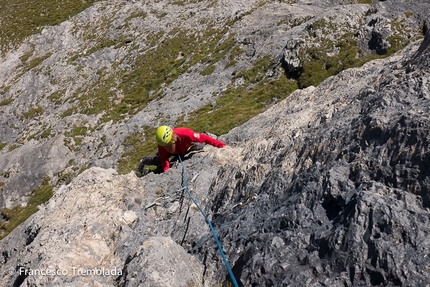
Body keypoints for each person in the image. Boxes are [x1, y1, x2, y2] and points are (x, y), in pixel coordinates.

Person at [137, 125, 227, 174]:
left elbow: (203, 138)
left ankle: (209, 134)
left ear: (172, 138)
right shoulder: (162, 144)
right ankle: (143, 161)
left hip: (186, 147)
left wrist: (222, 146)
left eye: (168, 145)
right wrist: (167, 172)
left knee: (200, 145)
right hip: (177, 151)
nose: (166, 147)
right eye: (164, 146)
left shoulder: (186, 135)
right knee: (157, 160)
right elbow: (164, 159)